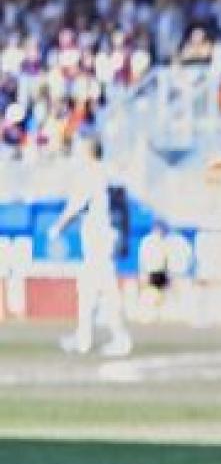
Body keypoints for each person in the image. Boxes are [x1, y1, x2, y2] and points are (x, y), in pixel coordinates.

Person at [48, 139, 132, 358]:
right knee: (89, 290)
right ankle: (84, 339)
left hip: (98, 239)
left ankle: (119, 338)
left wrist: (58, 227)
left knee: (104, 289)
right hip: (103, 237)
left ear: (88, 152)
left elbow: (75, 205)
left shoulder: (90, 174)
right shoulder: (107, 172)